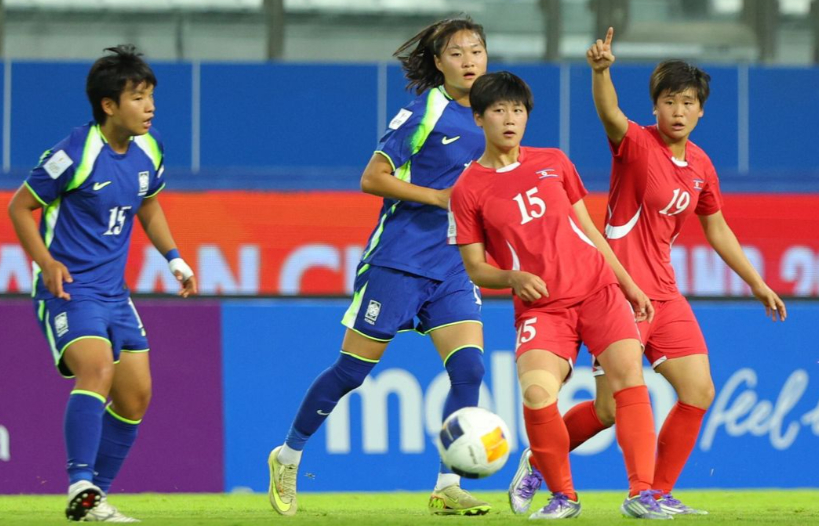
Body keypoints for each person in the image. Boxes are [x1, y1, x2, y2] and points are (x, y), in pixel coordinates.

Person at [508, 28, 788, 517]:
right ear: (655, 107)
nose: (678, 111)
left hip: (665, 291)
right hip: (616, 289)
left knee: (699, 390)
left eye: (688, 103)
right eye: (669, 101)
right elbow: (610, 114)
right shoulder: (636, 144)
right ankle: (540, 458)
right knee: (608, 408)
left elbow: (717, 229)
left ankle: (654, 493)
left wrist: (757, 283)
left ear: (701, 111)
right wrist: (601, 73)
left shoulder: (700, 165)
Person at [267, 17, 492, 516]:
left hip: (454, 266)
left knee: (470, 368)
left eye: (476, 50)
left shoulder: (492, 114)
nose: (469, 60)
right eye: (456, 53)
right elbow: (372, 178)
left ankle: (447, 485)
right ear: (438, 63)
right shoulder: (425, 111)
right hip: (399, 261)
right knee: (352, 372)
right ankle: (287, 456)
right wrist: (437, 196)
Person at [449, 70, 671, 520]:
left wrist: (628, 284)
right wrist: (511, 277)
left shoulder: (553, 160)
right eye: (498, 110)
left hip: (598, 290)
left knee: (629, 380)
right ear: (478, 118)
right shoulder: (467, 189)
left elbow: (589, 230)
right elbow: (475, 267)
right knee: (536, 392)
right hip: (543, 307)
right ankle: (563, 496)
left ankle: (641, 494)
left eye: (518, 110)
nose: (510, 119)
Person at [8, 45, 197, 522]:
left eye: (151, 96)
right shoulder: (74, 152)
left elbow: (148, 203)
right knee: (97, 369)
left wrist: (174, 257)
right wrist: (46, 262)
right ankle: (79, 481)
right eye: (137, 97)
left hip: (116, 294)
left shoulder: (149, 148)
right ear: (109, 105)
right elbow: (19, 207)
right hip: (70, 289)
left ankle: (95, 500)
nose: (150, 107)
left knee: (135, 398)